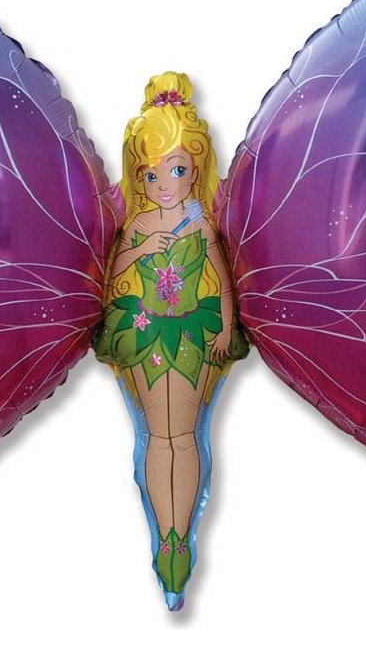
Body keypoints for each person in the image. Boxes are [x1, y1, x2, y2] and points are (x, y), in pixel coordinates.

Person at [94, 72, 249, 604]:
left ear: (195, 170)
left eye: (177, 169)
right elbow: (117, 275)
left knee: (182, 437)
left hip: (194, 330)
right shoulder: (137, 226)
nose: (165, 184)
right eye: (152, 173)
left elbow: (222, 280)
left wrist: (225, 323)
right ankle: (168, 538)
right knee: (161, 438)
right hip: (142, 330)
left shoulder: (201, 222)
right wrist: (140, 249)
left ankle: (178, 537)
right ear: (139, 177)